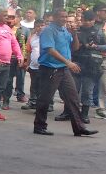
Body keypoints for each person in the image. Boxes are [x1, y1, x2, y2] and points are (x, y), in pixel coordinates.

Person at [33, 8, 98, 137]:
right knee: (45, 98)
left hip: (63, 68)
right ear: (55, 17)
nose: (64, 19)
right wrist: (68, 62)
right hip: (50, 68)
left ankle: (79, 127)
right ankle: (39, 126)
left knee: (73, 98)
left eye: (66, 17)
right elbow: (50, 50)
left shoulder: (65, 31)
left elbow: (75, 48)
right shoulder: (48, 30)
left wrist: (74, 35)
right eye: (61, 17)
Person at [74, 10, 106, 124]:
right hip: (76, 62)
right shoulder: (77, 31)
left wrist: (96, 46)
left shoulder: (99, 32)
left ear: (93, 20)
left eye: (89, 20)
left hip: (92, 65)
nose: (86, 22)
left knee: (87, 91)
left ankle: (84, 114)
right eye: (84, 20)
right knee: (73, 90)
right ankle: (70, 112)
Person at [21, 18, 46, 110]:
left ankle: (43, 104)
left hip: (44, 66)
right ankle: (32, 101)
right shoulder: (32, 37)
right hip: (33, 66)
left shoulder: (48, 37)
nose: (40, 28)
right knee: (33, 85)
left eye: (42, 26)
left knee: (43, 86)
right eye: (38, 26)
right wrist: (27, 64)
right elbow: (29, 51)